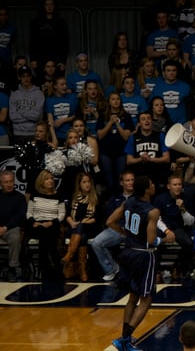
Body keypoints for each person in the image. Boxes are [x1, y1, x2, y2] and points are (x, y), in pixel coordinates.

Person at [108, 175, 164, 351]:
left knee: (132, 297)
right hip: (143, 256)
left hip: (127, 252)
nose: (154, 185)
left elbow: (110, 221)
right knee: (146, 300)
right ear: (147, 189)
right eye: (152, 183)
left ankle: (125, 339)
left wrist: (127, 234)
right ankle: (125, 339)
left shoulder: (129, 202)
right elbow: (150, 239)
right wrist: (166, 239)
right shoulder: (153, 211)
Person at [25, 169, 66, 281]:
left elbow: (62, 214)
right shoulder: (35, 194)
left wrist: (51, 222)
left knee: (47, 234)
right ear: (41, 181)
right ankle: (54, 267)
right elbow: (29, 212)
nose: (50, 181)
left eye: (52, 178)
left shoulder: (59, 195)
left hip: (52, 223)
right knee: (44, 233)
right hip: (36, 223)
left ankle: (44, 269)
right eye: (47, 179)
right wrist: (34, 221)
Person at [61, 172, 100, 281]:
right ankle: (83, 270)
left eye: (88, 182)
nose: (87, 184)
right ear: (79, 184)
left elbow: (98, 217)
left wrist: (84, 222)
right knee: (82, 236)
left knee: (82, 227)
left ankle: (69, 255)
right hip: (74, 228)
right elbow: (67, 214)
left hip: (90, 226)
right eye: (84, 182)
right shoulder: (73, 197)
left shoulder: (96, 198)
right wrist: (72, 223)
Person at [124, 111, 171, 190]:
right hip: (140, 175)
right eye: (143, 119)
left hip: (158, 173)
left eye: (149, 118)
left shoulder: (160, 135)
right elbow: (129, 160)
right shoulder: (133, 137)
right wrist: (141, 159)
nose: (147, 121)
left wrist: (150, 159)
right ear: (139, 123)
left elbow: (167, 158)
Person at [29, 0, 69, 72]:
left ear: (55, 6)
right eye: (47, 4)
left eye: (51, 4)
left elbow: (65, 43)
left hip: (57, 57)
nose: (49, 7)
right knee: (41, 81)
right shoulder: (36, 22)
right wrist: (33, 59)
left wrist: (63, 61)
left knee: (57, 81)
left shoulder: (61, 22)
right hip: (40, 57)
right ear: (43, 6)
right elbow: (32, 42)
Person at [0, 170, 27, 282]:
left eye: (11, 181)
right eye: (6, 182)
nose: (9, 184)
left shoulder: (19, 197)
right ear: (1, 183)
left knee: (15, 238)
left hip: (10, 228)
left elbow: (20, 216)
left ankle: (12, 267)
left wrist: (5, 227)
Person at [9, 64, 45, 145]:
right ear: (19, 77)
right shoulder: (14, 94)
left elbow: (36, 116)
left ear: (31, 77)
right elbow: (12, 116)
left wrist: (20, 112)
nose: (26, 79)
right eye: (23, 76)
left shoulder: (39, 94)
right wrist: (29, 114)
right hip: (17, 134)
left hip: (34, 133)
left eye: (28, 76)